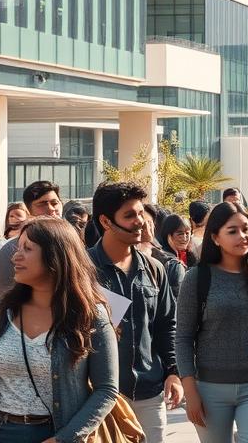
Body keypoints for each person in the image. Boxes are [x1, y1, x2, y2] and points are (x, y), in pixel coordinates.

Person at [0, 217, 119, 443]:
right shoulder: (1, 310)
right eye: (18, 247)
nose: (15, 256)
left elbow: (106, 390)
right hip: (1, 433)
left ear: (55, 256)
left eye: (27, 249)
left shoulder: (90, 315)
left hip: (58, 433)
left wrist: (64, 438)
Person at [176, 200, 248, 443]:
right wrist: (190, 390)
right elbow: (184, 337)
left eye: (246, 228)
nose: (243, 236)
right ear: (216, 238)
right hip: (209, 387)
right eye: (233, 231)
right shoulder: (196, 278)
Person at [89, 182, 181, 443]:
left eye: (141, 213)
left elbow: (167, 325)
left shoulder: (155, 269)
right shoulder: (82, 269)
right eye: (129, 215)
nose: (140, 221)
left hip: (149, 392)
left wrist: (173, 372)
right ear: (106, 222)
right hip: (97, 396)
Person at [0, 181, 62, 297]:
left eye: (54, 203)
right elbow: (5, 297)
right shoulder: (10, 250)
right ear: (29, 211)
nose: (51, 209)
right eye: (42, 204)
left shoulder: (73, 244)